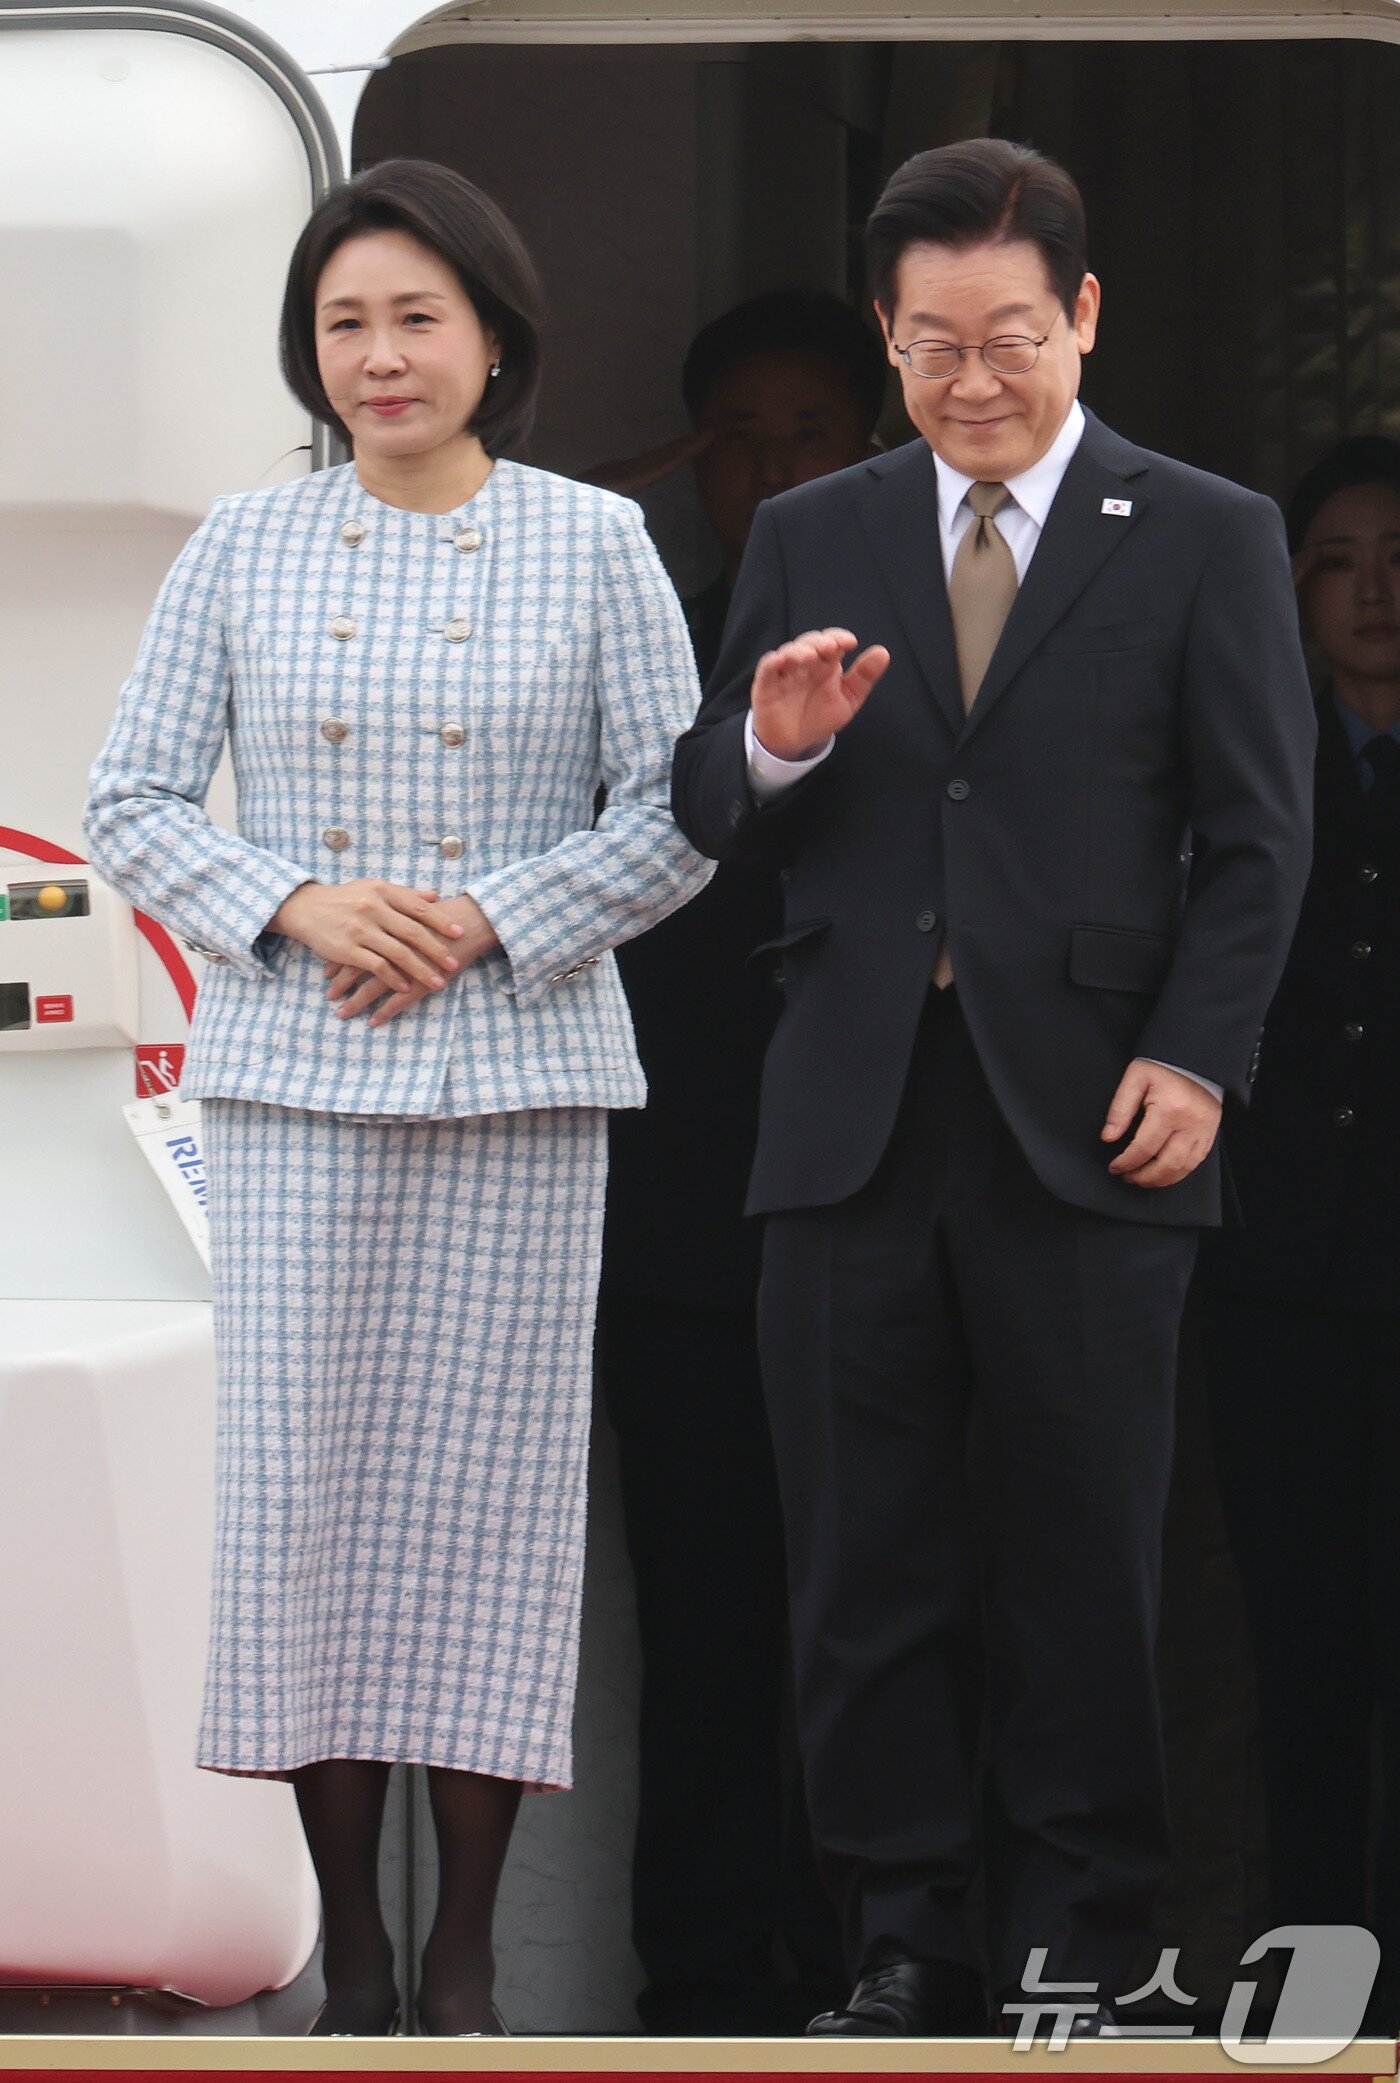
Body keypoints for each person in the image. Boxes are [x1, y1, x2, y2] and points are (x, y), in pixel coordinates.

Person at [670, 137, 1316, 2038]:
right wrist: (773, 753)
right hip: (853, 1114)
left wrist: (1201, 1051)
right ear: (889, 337)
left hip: (1103, 1109)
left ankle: (1085, 1948)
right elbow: (713, 809)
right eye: (935, 343)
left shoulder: (1201, 529)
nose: (974, 381)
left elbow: (1259, 839)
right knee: (863, 1562)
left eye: (1011, 338)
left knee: (1082, 1556)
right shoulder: (817, 529)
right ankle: (901, 1938)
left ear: (1086, 318)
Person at [83, 157, 711, 2039]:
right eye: (345, 322)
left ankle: (463, 1968)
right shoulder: (240, 547)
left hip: (519, 1097)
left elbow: (679, 811)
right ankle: (350, 1953)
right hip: (296, 1101)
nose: (380, 355)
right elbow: (127, 801)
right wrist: (294, 898)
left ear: (495, 336)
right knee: (307, 1522)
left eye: (416, 317)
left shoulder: (598, 541)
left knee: (491, 1526)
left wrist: (484, 922)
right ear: (312, 350)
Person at [596, 292, 884, 2034]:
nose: (773, 473)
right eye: (739, 440)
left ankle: (870, 1959)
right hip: (683, 1214)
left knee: (882, 1608)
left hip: (889, 1210)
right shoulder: (635, 639)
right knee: (703, 1625)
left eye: (809, 436)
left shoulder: (940, 639)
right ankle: (702, 1978)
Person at [1199, 436, 1400, 2028]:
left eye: (1399, 554)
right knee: (1300, 1646)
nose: (1376, 588)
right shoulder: (1246, 753)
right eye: (1340, 559)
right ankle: (1313, 1977)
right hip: (1277, 1273)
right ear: (1292, 591)